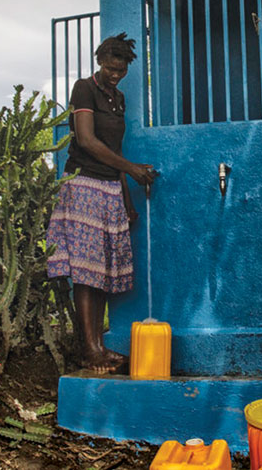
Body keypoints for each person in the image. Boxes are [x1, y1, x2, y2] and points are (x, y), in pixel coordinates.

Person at [46, 33, 155, 374]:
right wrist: (133, 169)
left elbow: (114, 151)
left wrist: (126, 200)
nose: (115, 75)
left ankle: (96, 346)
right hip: (83, 185)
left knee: (102, 270)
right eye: (110, 69)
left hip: (109, 189)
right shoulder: (84, 89)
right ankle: (89, 349)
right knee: (85, 270)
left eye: (121, 70)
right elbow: (87, 141)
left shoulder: (118, 99)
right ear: (100, 62)